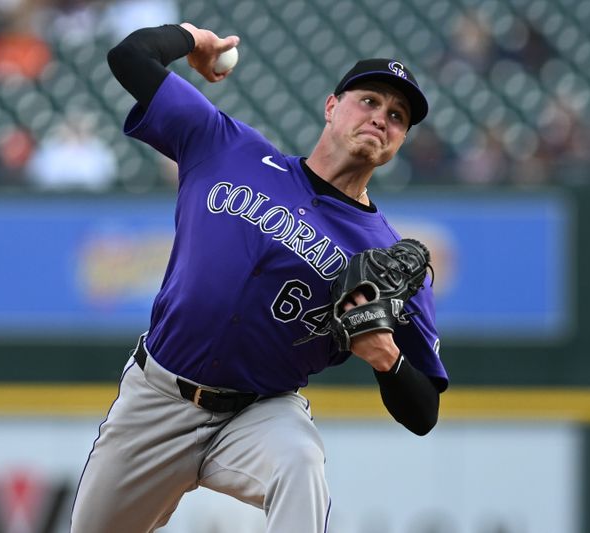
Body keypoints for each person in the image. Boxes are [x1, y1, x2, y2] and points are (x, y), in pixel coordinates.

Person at [70, 22, 449, 533]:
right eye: (370, 101)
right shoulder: (229, 148)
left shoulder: (388, 256)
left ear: (400, 140)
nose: (381, 118)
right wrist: (192, 39)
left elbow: (423, 411)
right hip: (156, 399)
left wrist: (386, 355)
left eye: (397, 116)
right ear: (332, 106)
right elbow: (128, 57)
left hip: (259, 414)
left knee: (300, 463)